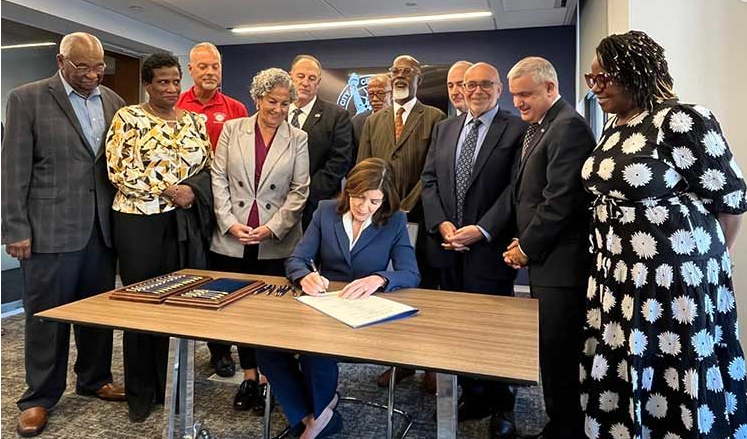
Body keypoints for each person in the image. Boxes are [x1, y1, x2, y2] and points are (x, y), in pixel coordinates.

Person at [578, 30, 747, 438]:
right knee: (627, 370)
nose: (596, 86)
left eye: (605, 77)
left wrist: (700, 267)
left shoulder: (683, 119)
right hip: (618, 276)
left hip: (670, 285)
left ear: (636, 72)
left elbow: (732, 200)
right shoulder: (616, 124)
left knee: (675, 376)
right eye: (591, 78)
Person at [1, 32, 126, 437]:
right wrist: (15, 228)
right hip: (48, 230)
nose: (92, 74)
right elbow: (13, 169)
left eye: (99, 67)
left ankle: (94, 378)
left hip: (101, 229)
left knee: (97, 312)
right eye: (82, 67)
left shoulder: (115, 103)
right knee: (46, 318)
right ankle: (38, 397)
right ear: (61, 61)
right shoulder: (27, 98)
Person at [257, 158, 420, 439]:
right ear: (348, 190)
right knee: (267, 350)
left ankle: (317, 416)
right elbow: (297, 258)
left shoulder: (394, 220)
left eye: (373, 201)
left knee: (314, 352)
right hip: (324, 307)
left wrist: (380, 278)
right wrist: (303, 276)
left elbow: (410, 273)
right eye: (358, 197)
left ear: (384, 199)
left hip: (366, 315)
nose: (363, 207)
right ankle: (317, 415)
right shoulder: (326, 211)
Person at [106, 52, 213, 422]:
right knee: (141, 303)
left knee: (177, 303)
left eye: (174, 80)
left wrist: (190, 192)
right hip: (139, 222)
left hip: (183, 223)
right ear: (147, 84)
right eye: (162, 81)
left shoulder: (195, 121)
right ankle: (140, 390)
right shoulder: (128, 117)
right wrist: (170, 190)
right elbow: (119, 170)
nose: (170, 88)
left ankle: (170, 385)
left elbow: (207, 167)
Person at [422, 62, 525, 438]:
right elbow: (429, 178)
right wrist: (442, 224)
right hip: (447, 246)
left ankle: (503, 405)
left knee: (493, 332)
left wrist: (481, 230)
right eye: (469, 85)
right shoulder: (444, 128)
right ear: (460, 89)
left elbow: (515, 188)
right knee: (455, 330)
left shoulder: (516, 129)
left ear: (499, 89)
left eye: (486, 85)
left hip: (489, 249)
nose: (476, 91)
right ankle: (474, 393)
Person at [502, 57, 596, 439]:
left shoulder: (567, 127)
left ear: (551, 89)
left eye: (526, 94)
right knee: (551, 351)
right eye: (515, 95)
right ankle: (560, 423)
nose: (519, 103)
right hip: (548, 260)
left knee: (559, 354)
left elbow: (560, 201)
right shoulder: (544, 126)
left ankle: (565, 429)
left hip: (562, 266)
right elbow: (529, 194)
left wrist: (525, 247)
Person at [210, 67, 310, 412]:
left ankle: (270, 379)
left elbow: (300, 191)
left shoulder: (298, 138)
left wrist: (272, 227)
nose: (278, 109)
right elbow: (218, 179)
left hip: (275, 239)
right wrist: (229, 222)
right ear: (257, 99)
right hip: (234, 237)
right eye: (272, 101)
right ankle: (249, 377)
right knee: (238, 311)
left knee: (271, 315)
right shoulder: (231, 129)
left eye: (285, 103)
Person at [357, 55, 446, 389]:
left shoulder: (435, 117)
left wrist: (404, 207)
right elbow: (364, 167)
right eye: (395, 71)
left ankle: (430, 365)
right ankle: (398, 361)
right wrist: (376, 206)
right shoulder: (372, 121)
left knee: (425, 290)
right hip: (380, 220)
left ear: (418, 78)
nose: (400, 76)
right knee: (390, 289)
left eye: (407, 72)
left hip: (420, 219)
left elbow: (432, 171)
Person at [176, 42, 249, 379]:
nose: (210, 72)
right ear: (190, 69)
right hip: (185, 208)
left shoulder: (235, 108)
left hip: (226, 209)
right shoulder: (174, 104)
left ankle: (229, 347)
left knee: (223, 279)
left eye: (215, 66)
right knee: (195, 279)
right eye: (203, 66)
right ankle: (201, 349)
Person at [288, 54, 352, 229]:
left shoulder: (337, 116)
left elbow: (339, 162)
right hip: (275, 203)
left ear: (319, 82)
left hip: (316, 205)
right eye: (300, 76)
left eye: (312, 78)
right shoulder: (276, 113)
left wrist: (304, 193)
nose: (305, 83)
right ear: (290, 77)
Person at [351, 74, 391, 156]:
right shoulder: (356, 122)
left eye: (380, 93)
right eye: (371, 94)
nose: (375, 99)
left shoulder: (400, 119)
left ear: (392, 94)